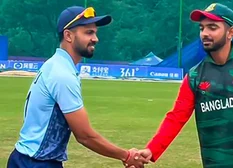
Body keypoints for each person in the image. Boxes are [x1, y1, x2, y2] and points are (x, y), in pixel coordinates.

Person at [137, 3, 233, 168]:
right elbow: (176, 117)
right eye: (202, 28)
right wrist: (152, 149)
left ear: (231, 33)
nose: (205, 33)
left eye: (212, 28)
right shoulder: (194, 75)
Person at [7, 6, 148, 168]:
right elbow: (85, 136)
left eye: (95, 33)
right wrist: (127, 155)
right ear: (68, 35)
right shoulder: (62, 74)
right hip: (37, 163)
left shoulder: (54, 64)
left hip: (25, 158)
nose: (95, 39)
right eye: (88, 32)